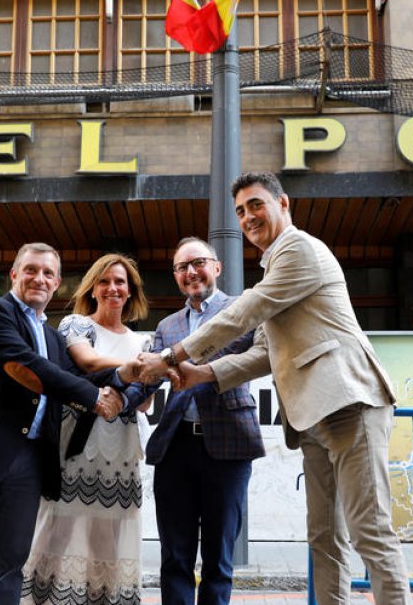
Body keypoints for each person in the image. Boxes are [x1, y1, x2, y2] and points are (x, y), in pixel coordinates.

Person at [137, 172, 412, 605]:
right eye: (240, 211)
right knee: (324, 537)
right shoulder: (273, 267)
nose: (248, 217)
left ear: (283, 203)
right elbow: (264, 353)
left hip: (350, 401)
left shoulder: (297, 249)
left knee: (370, 533)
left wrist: (173, 357)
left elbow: (244, 313)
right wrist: (201, 374)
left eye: (256, 205)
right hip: (312, 416)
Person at [0, 243, 129, 605]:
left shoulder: (52, 337)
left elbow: (77, 377)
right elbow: (29, 365)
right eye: (31, 270)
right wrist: (94, 398)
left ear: (57, 283)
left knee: (10, 565)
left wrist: (132, 372)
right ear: (14, 275)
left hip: (28, 462)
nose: (39, 278)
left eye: (48, 273)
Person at [22, 253, 154, 605]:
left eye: (120, 282)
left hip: (121, 450)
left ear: (130, 291)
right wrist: (139, 370)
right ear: (93, 289)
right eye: (104, 281)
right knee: (58, 529)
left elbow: (145, 403)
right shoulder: (76, 324)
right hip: (77, 444)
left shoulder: (143, 342)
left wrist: (141, 375)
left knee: (107, 538)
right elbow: (88, 361)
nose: (112, 288)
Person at [147, 237, 264, 605]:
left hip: (229, 445)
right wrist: (114, 396)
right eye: (182, 267)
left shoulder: (242, 310)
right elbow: (148, 376)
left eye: (198, 262)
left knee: (218, 557)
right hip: (175, 447)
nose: (191, 272)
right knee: (174, 556)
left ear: (217, 267)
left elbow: (260, 357)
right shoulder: (167, 325)